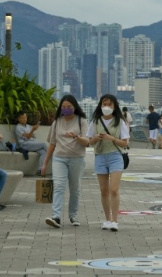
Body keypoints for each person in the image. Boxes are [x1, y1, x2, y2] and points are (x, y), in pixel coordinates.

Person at [42, 94, 89, 228]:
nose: (66, 109)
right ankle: (55, 216)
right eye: (63, 107)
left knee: (75, 189)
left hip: (77, 159)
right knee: (59, 186)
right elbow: (52, 143)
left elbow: (87, 142)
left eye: (69, 107)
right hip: (59, 158)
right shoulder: (57, 122)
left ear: (75, 107)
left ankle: (73, 215)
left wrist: (76, 137)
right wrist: (45, 163)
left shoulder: (82, 121)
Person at [87, 94, 130, 232]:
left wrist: (112, 138)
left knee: (114, 189)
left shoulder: (120, 122)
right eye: (104, 104)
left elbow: (125, 143)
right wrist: (96, 138)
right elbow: (89, 141)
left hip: (115, 156)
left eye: (110, 104)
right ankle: (107, 219)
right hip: (100, 156)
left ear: (114, 106)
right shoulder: (95, 121)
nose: (106, 107)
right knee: (104, 190)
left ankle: (115, 221)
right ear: (100, 105)